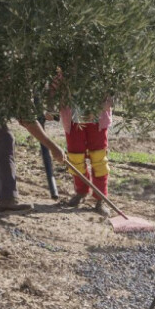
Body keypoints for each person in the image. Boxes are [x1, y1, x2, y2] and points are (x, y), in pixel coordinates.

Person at [0, 106, 65, 212]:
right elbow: (28, 120)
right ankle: (7, 200)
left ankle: (4, 195)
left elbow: (25, 117)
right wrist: (53, 147)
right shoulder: (23, 94)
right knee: (4, 139)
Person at [49, 67, 113, 217]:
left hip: (97, 120)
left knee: (99, 159)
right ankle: (81, 192)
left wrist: (103, 105)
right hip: (73, 121)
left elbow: (111, 92)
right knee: (75, 158)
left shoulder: (102, 66)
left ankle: (100, 199)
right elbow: (53, 89)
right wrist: (51, 109)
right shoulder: (65, 68)